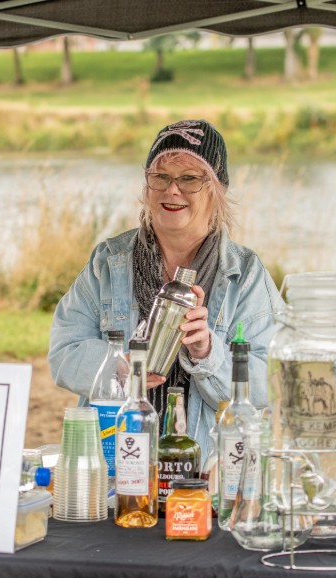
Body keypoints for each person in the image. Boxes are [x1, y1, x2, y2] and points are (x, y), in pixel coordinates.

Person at [48, 119, 284, 455]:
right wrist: (119, 367)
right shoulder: (108, 262)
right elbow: (63, 353)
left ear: (217, 190)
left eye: (189, 178)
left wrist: (207, 352)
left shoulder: (245, 274)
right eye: (161, 177)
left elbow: (272, 381)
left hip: (209, 470)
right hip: (115, 459)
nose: (172, 190)